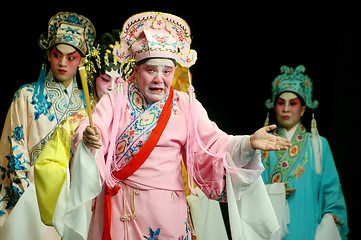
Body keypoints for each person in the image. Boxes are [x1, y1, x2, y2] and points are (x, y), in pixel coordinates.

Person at [72, 12, 291, 240]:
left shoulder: (185, 105)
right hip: (123, 211)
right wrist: (88, 138)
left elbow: (214, 144)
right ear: (135, 71)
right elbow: (93, 128)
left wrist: (247, 143)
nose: (159, 79)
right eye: (150, 70)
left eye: (166, 71)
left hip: (168, 213)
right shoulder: (115, 100)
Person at [0, 11, 95, 235]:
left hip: (73, 199)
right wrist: (28, 196)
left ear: (81, 61)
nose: (63, 63)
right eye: (57, 55)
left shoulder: (88, 105)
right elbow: (14, 148)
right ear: (48, 56)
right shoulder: (26, 96)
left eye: (71, 57)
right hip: (31, 197)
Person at [34, 30, 132, 229]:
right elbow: (48, 167)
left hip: (129, 210)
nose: (112, 88)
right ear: (93, 79)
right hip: (89, 209)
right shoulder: (74, 123)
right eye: (105, 79)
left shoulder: (135, 123)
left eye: (119, 81)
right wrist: (77, 177)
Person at [261, 65, 349, 239]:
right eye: (281, 103)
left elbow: (332, 196)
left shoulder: (318, 145)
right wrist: (273, 192)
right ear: (274, 107)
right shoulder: (264, 144)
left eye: (293, 103)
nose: (286, 109)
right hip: (271, 231)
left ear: (302, 109)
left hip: (308, 230)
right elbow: (249, 191)